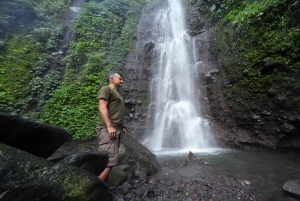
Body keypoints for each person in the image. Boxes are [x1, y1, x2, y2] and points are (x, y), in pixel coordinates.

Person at [96, 72, 127, 182]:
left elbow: (118, 111)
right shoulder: (106, 89)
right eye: (120, 78)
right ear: (112, 79)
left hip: (116, 128)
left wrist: (123, 126)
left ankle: (101, 185)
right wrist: (109, 126)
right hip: (108, 129)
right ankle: (93, 188)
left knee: (112, 160)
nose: (122, 80)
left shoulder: (117, 93)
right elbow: (102, 108)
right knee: (109, 161)